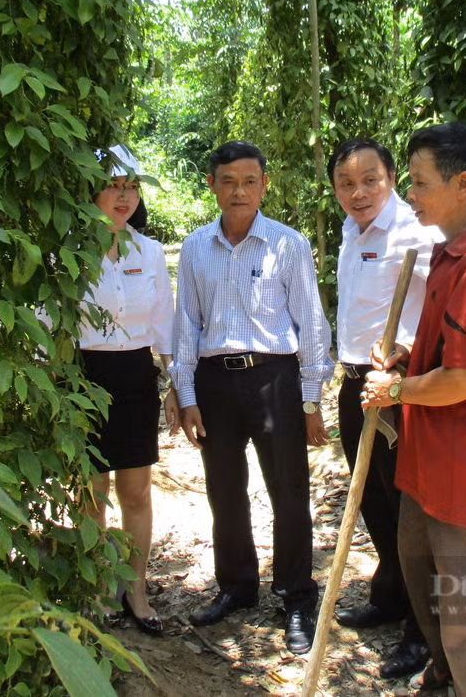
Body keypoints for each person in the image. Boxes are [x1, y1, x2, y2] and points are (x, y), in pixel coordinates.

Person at [361, 122, 466, 696]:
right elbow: (452, 352)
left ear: (463, 184)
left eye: (420, 183)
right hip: (427, 463)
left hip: (462, 470)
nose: (411, 195)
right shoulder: (449, 254)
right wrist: (409, 355)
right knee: (423, 574)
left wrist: (397, 392)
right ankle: (446, 671)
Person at [172, 140, 333, 655]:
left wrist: (311, 399)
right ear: (212, 185)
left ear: (265, 185)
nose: (238, 191)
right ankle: (237, 586)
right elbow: (186, 325)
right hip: (215, 381)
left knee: (288, 491)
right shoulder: (197, 247)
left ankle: (295, 596)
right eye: (227, 181)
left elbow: (310, 324)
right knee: (224, 489)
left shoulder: (288, 244)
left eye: (248, 181)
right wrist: (186, 392)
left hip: (275, 380)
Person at [327, 137, 441, 680]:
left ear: (391, 178)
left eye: (370, 179)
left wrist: (406, 357)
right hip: (353, 382)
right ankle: (391, 596)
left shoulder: (415, 232)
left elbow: (439, 308)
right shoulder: (351, 232)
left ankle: (422, 631)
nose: (359, 192)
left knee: (405, 509)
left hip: (395, 387)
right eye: (346, 183)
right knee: (370, 496)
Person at [73, 145, 178, 636]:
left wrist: (176, 385)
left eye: (132, 187)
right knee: (91, 490)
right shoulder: (65, 249)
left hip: (136, 377)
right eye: (113, 185)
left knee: (135, 490)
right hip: (81, 376)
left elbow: (163, 327)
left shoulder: (150, 251)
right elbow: (49, 324)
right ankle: (97, 589)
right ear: (91, 188)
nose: (124, 197)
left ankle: (135, 590)